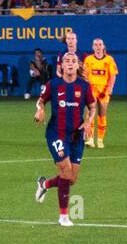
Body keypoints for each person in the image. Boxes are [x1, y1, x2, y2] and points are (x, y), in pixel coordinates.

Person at [34, 52, 96, 228]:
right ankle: (63, 217)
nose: (69, 63)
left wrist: (88, 122)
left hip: (76, 136)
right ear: (61, 66)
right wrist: (40, 110)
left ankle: (44, 184)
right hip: (56, 134)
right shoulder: (53, 84)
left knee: (72, 179)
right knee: (66, 171)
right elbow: (40, 101)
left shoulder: (84, 86)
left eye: (73, 61)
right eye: (66, 61)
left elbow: (92, 107)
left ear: (77, 65)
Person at [82, 38, 117, 148]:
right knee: (90, 114)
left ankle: (100, 139)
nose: (98, 47)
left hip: (103, 91)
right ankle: (90, 139)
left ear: (103, 46)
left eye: (100, 44)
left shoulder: (109, 60)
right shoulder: (88, 59)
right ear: (93, 47)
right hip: (91, 90)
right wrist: (87, 87)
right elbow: (84, 75)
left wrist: (110, 88)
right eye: (96, 45)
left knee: (102, 115)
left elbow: (113, 75)